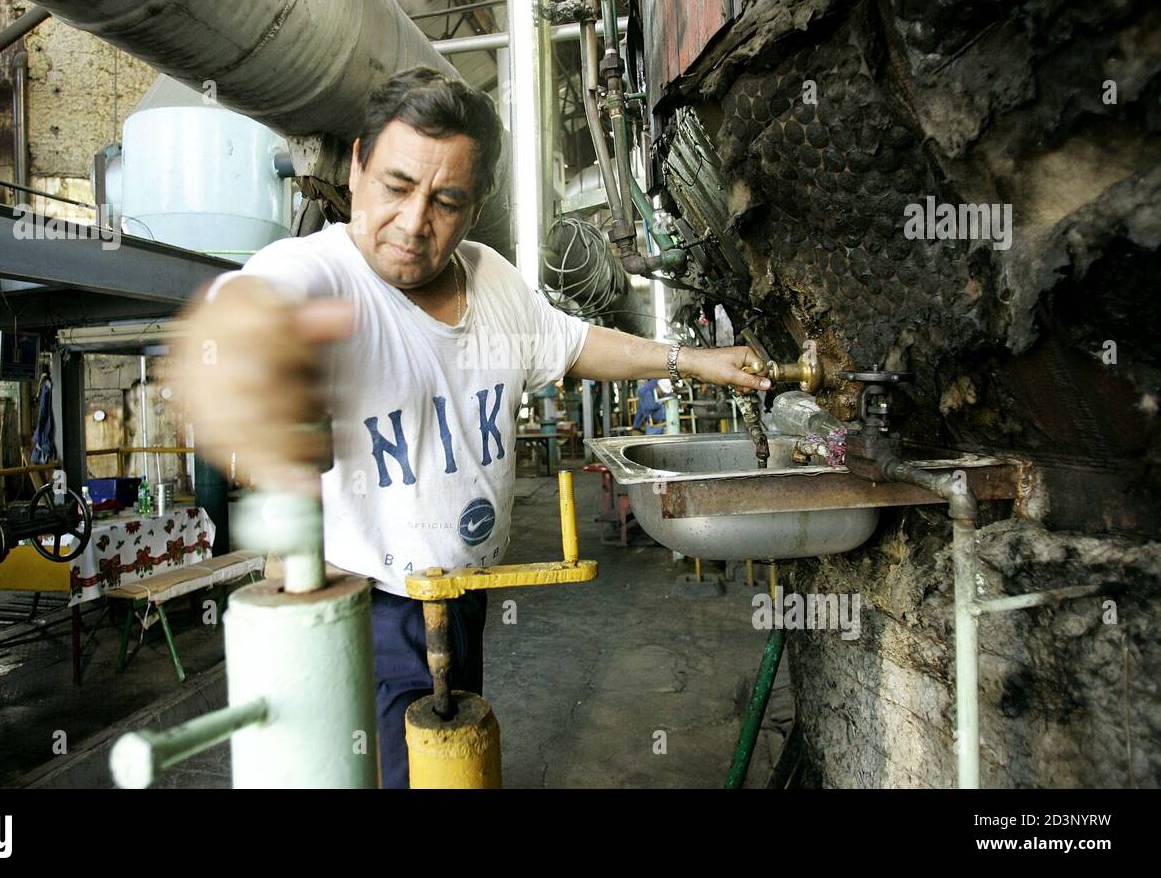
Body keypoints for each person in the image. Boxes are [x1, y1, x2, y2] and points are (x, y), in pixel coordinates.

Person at [176, 66, 770, 788]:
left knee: (461, 763)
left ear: (476, 203)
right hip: (366, 605)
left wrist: (690, 359)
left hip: (464, 596)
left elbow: (575, 343)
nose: (415, 221)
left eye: (446, 200)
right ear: (358, 165)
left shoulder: (492, 280)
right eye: (396, 186)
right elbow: (251, 306)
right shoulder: (319, 275)